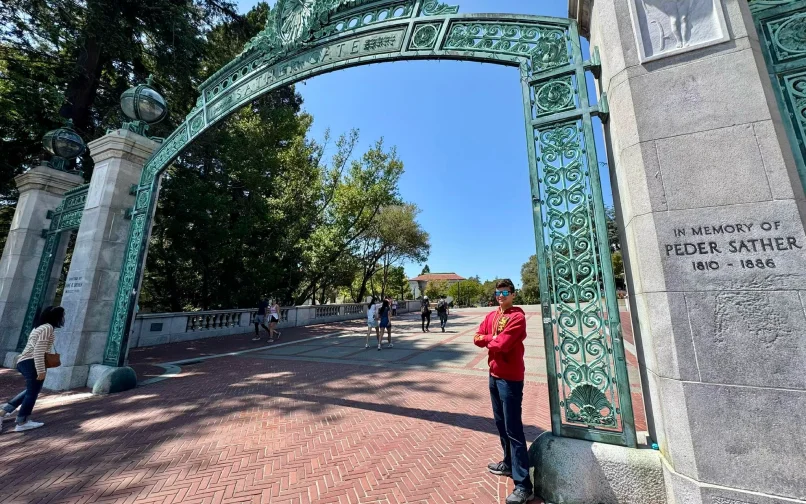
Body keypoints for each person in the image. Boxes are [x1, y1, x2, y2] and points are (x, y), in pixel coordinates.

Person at [473, 279, 533, 504]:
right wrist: (492, 338)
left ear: (513, 294)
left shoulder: (517, 316)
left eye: (505, 292)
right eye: (498, 292)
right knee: (500, 424)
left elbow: (504, 344)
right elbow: (477, 338)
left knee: (514, 429)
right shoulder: (491, 316)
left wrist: (492, 340)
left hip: (511, 378)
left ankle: (524, 484)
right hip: (494, 375)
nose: (501, 296)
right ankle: (508, 464)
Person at [1, 306, 64, 433]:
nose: (63, 318)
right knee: (32, 393)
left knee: (31, 390)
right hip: (32, 362)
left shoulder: (39, 327)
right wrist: (41, 370)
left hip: (25, 361)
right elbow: (39, 350)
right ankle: (22, 421)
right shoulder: (47, 328)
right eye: (62, 315)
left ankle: (4, 411)